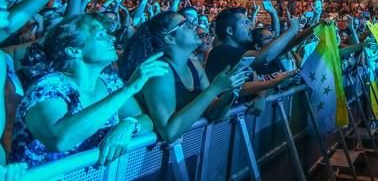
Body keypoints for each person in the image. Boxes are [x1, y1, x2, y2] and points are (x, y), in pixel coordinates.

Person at [12, 13, 166, 168]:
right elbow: (59, 140)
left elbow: (145, 120)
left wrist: (129, 124)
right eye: (100, 35)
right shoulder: (49, 87)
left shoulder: (108, 81)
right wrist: (128, 89)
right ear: (74, 50)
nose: (112, 38)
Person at [118, 12, 249, 142]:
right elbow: (169, 132)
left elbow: (214, 112)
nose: (193, 26)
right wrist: (214, 88)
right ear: (170, 38)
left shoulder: (195, 66)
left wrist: (232, 89)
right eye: (185, 25)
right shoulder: (160, 71)